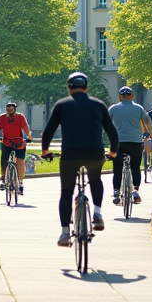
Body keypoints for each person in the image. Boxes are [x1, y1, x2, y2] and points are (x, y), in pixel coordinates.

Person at [41, 72, 119, 247]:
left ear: (69, 88)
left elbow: (48, 130)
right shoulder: (99, 105)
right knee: (95, 179)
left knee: (67, 192)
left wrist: (45, 150)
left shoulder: (61, 105)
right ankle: (97, 213)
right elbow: (112, 132)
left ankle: (64, 234)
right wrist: (113, 152)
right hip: (94, 153)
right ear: (86, 87)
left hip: (70, 155)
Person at [109, 86, 151, 206]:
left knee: (117, 169)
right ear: (132, 96)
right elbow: (147, 120)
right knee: (135, 167)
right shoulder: (138, 108)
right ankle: (136, 191)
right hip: (135, 143)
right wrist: (151, 135)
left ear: (120, 97)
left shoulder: (113, 108)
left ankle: (116, 192)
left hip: (118, 143)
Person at [0, 101, 32, 196]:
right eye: (8, 108)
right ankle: (3, 179)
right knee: (4, 160)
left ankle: (21, 182)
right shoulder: (1, 118)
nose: (10, 110)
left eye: (12, 108)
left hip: (19, 142)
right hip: (6, 141)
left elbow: (25, 127)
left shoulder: (20, 117)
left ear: (15, 109)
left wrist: (29, 136)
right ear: (6, 109)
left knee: (20, 161)